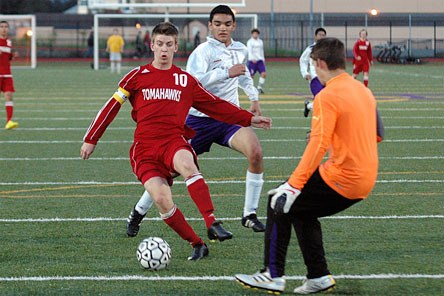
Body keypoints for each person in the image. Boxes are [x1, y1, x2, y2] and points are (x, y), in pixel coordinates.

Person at [80, 22, 272, 261]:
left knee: (188, 164)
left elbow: (215, 105)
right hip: (145, 149)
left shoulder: (185, 81)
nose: (163, 50)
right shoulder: (136, 76)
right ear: (152, 45)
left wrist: (248, 119)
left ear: (175, 47)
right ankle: (197, 243)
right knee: (161, 198)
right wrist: (91, 138)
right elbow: (110, 106)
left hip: (173, 142)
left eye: (169, 45)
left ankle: (212, 222)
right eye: (159, 44)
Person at [235, 37, 384, 294]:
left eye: (314, 64)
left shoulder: (327, 95)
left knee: (278, 201)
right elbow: (377, 134)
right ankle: (318, 276)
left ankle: (272, 274)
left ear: (321, 63)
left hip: (343, 177)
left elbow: (318, 144)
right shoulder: (363, 90)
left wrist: (293, 185)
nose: (314, 70)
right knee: (301, 210)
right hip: (365, 176)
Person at [126, 5, 268, 239]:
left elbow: (242, 75)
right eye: (218, 24)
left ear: (234, 26)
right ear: (210, 26)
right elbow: (194, 85)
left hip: (227, 119)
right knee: (168, 172)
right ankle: (138, 212)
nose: (223, 28)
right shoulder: (202, 52)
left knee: (255, 152)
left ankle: (249, 214)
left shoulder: (240, 49)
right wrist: (225, 73)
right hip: (198, 121)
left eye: (227, 24)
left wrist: (253, 98)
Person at [299, 27, 326, 117]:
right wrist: (305, 73)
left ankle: (309, 106)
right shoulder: (311, 49)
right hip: (315, 79)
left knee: (325, 102)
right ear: (315, 36)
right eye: (320, 35)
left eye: (323, 35)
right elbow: (303, 60)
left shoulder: (328, 50)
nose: (321, 37)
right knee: (321, 101)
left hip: (326, 79)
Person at [0, 20, 18, 130]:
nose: (4, 28)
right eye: (1, 26)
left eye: (6, 26)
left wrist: (12, 56)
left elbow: (7, 58)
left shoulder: (9, 42)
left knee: (9, 96)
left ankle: (9, 121)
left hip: (7, 74)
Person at [247, 28, 266, 94]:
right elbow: (249, 51)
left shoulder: (260, 41)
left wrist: (263, 60)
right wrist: (252, 58)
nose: (255, 35)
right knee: (251, 76)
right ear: (252, 34)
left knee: (263, 74)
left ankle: (259, 88)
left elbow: (261, 51)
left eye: (256, 33)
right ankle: (250, 89)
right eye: (254, 33)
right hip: (252, 61)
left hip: (259, 60)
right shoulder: (250, 42)